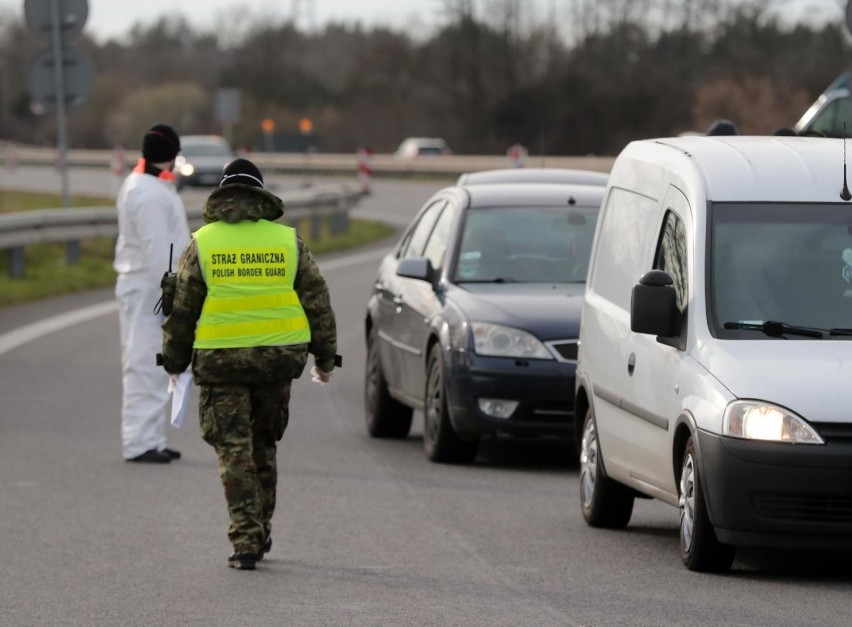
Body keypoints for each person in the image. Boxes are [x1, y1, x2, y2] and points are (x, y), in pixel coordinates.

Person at [160, 158, 338, 570]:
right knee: (264, 445)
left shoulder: (203, 242)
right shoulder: (287, 241)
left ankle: (246, 539)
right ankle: (262, 527)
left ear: (222, 195)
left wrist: (173, 362)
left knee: (232, 448)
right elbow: (318, 303)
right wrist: (325, 359)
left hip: (221, 363)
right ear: (260, 194)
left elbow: (182, 310)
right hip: (277, 360)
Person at [115, 124, 189, 464]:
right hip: (150, 287)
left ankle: (151, 438)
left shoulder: (147, 185)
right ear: (172, 155)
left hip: (149, 286)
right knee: (144, 363)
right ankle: (139, 442)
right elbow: (158, 249)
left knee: (156, 364)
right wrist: (172, 291)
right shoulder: (148, 192)